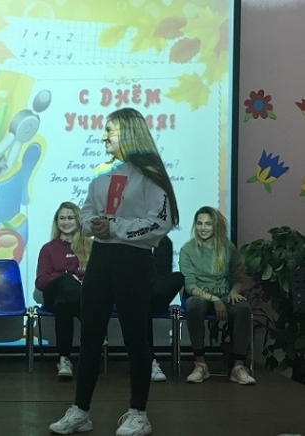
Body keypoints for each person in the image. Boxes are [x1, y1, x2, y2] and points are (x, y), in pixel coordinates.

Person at [49, 107, 179, 436]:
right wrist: (92, 224)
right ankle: (81, 411)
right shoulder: (102, 175)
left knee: (136, 338)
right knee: (90, 336)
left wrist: (115, 227)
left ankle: (138, 413)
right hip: (101, 261)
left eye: (110, 130)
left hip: (134, 263)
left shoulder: (151, 175)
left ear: (129, 133)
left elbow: (161, 222)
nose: (103, 136)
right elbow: (86, 213)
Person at [179, 206, 255, 386]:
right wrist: (213, 299)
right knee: (194, 306)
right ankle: (200, 364)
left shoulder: (228, 247)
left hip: (226, 294)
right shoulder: (187, 249)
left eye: (208, 224)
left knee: (243, 307)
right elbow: (190, 286)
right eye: (199, 223)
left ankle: (238, 367)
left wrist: (234, 291)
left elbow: (237, 277)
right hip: (201, 296)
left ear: (216, 226)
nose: (203, 228)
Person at [35, 201, 92, 379]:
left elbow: (98, 277)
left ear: (78, 220)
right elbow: (41, 281)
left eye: (70, 218)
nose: (66, 222)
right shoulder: (48, 248)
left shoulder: (90, 246)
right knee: (65, 282)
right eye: (62, 218)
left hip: (72, 298)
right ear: (56, 221)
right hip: (52, 295)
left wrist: (79, 283)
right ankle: (93, 327)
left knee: (64, 305)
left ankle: (64, 359)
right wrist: (64, 278)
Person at [147, 235, 184, 382]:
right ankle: (149, 361)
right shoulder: (128, 240)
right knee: (144, 305)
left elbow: (163, 275)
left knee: (178, 277)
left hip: (155, 294)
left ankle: (149, 362)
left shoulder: (164, 242)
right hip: (134, 295)